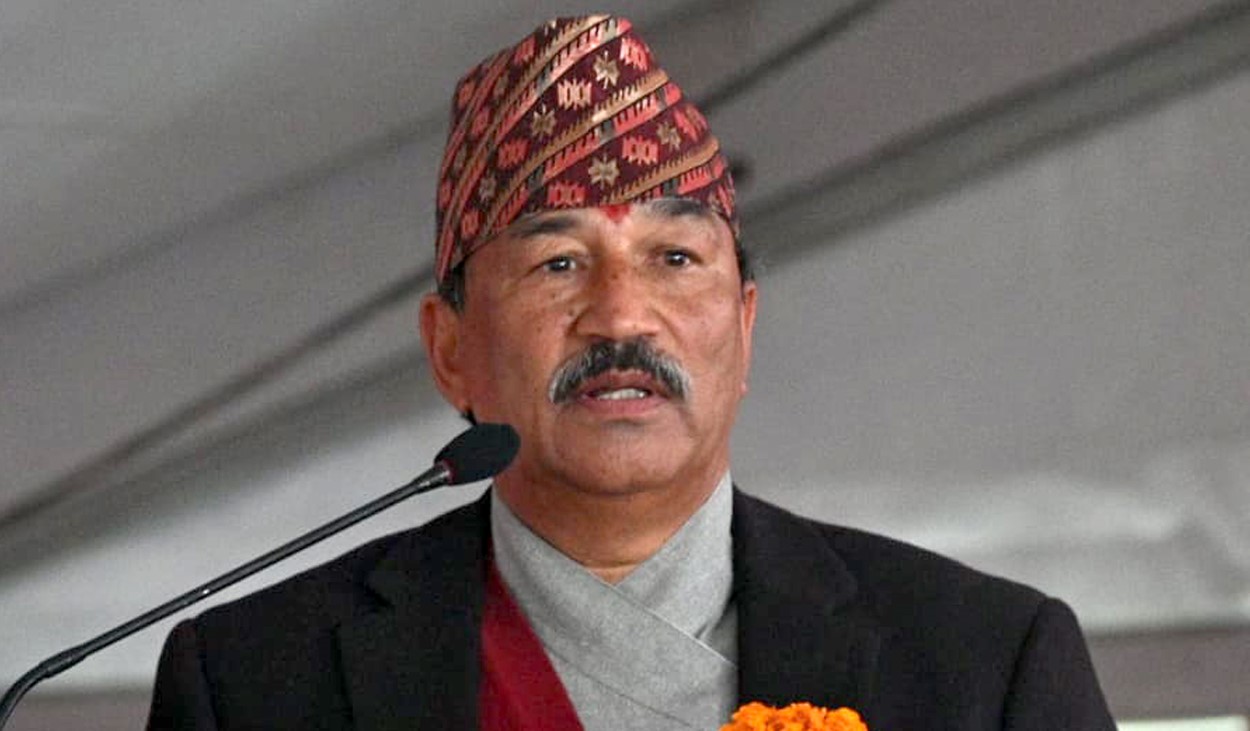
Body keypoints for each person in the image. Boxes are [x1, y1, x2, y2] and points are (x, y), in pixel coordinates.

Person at [146, 15, 1116, 730]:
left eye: (675, 257)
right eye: (557, 263)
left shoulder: (983, 662)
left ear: (743, 326)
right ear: (451, 350)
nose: (619, 315)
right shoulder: (253, 681)